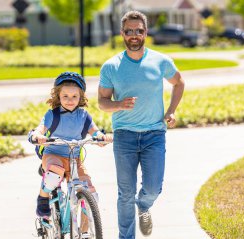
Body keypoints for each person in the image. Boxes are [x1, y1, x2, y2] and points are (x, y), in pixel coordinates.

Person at [98, 11, 185, 239]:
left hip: (154, 134)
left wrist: (172, 110)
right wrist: (118, 104)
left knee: (154, 188)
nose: (134, 35)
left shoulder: (160, 61)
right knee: (125, 193)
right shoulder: (111, 66)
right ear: (122, 34)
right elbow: (102, 103)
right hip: (124, 136)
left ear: (146, 32)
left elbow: (179, 82)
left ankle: (144, 206)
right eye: (129, 31)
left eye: (139, 30)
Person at [29, 72, 112, 221]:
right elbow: (40, 128)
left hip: (74, 159)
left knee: (90, 193)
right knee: (54, 173)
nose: (70, 100)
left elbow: (95, 131)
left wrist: (101, 137)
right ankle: (43, 198)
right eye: (65, 96)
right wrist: (37, 136)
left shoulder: (84, 116)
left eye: (74, 96)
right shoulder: (53, 114)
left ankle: (86, 232)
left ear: (81, 97)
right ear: (58, 96)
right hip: (54, 155)